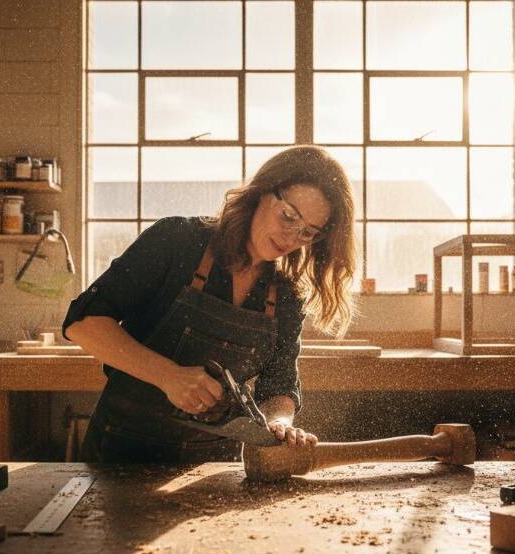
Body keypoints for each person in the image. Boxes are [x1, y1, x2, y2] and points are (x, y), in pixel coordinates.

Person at [63, 145, 356, 464]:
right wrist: (169, 376)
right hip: (121, 454)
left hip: (215, 465)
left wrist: (279, 424)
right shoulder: (177, 240)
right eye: (288, 216)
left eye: (307, 233)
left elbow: (279, 384)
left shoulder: (285, 294)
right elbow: (83, 322)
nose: (290, 237)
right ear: (261, 192)